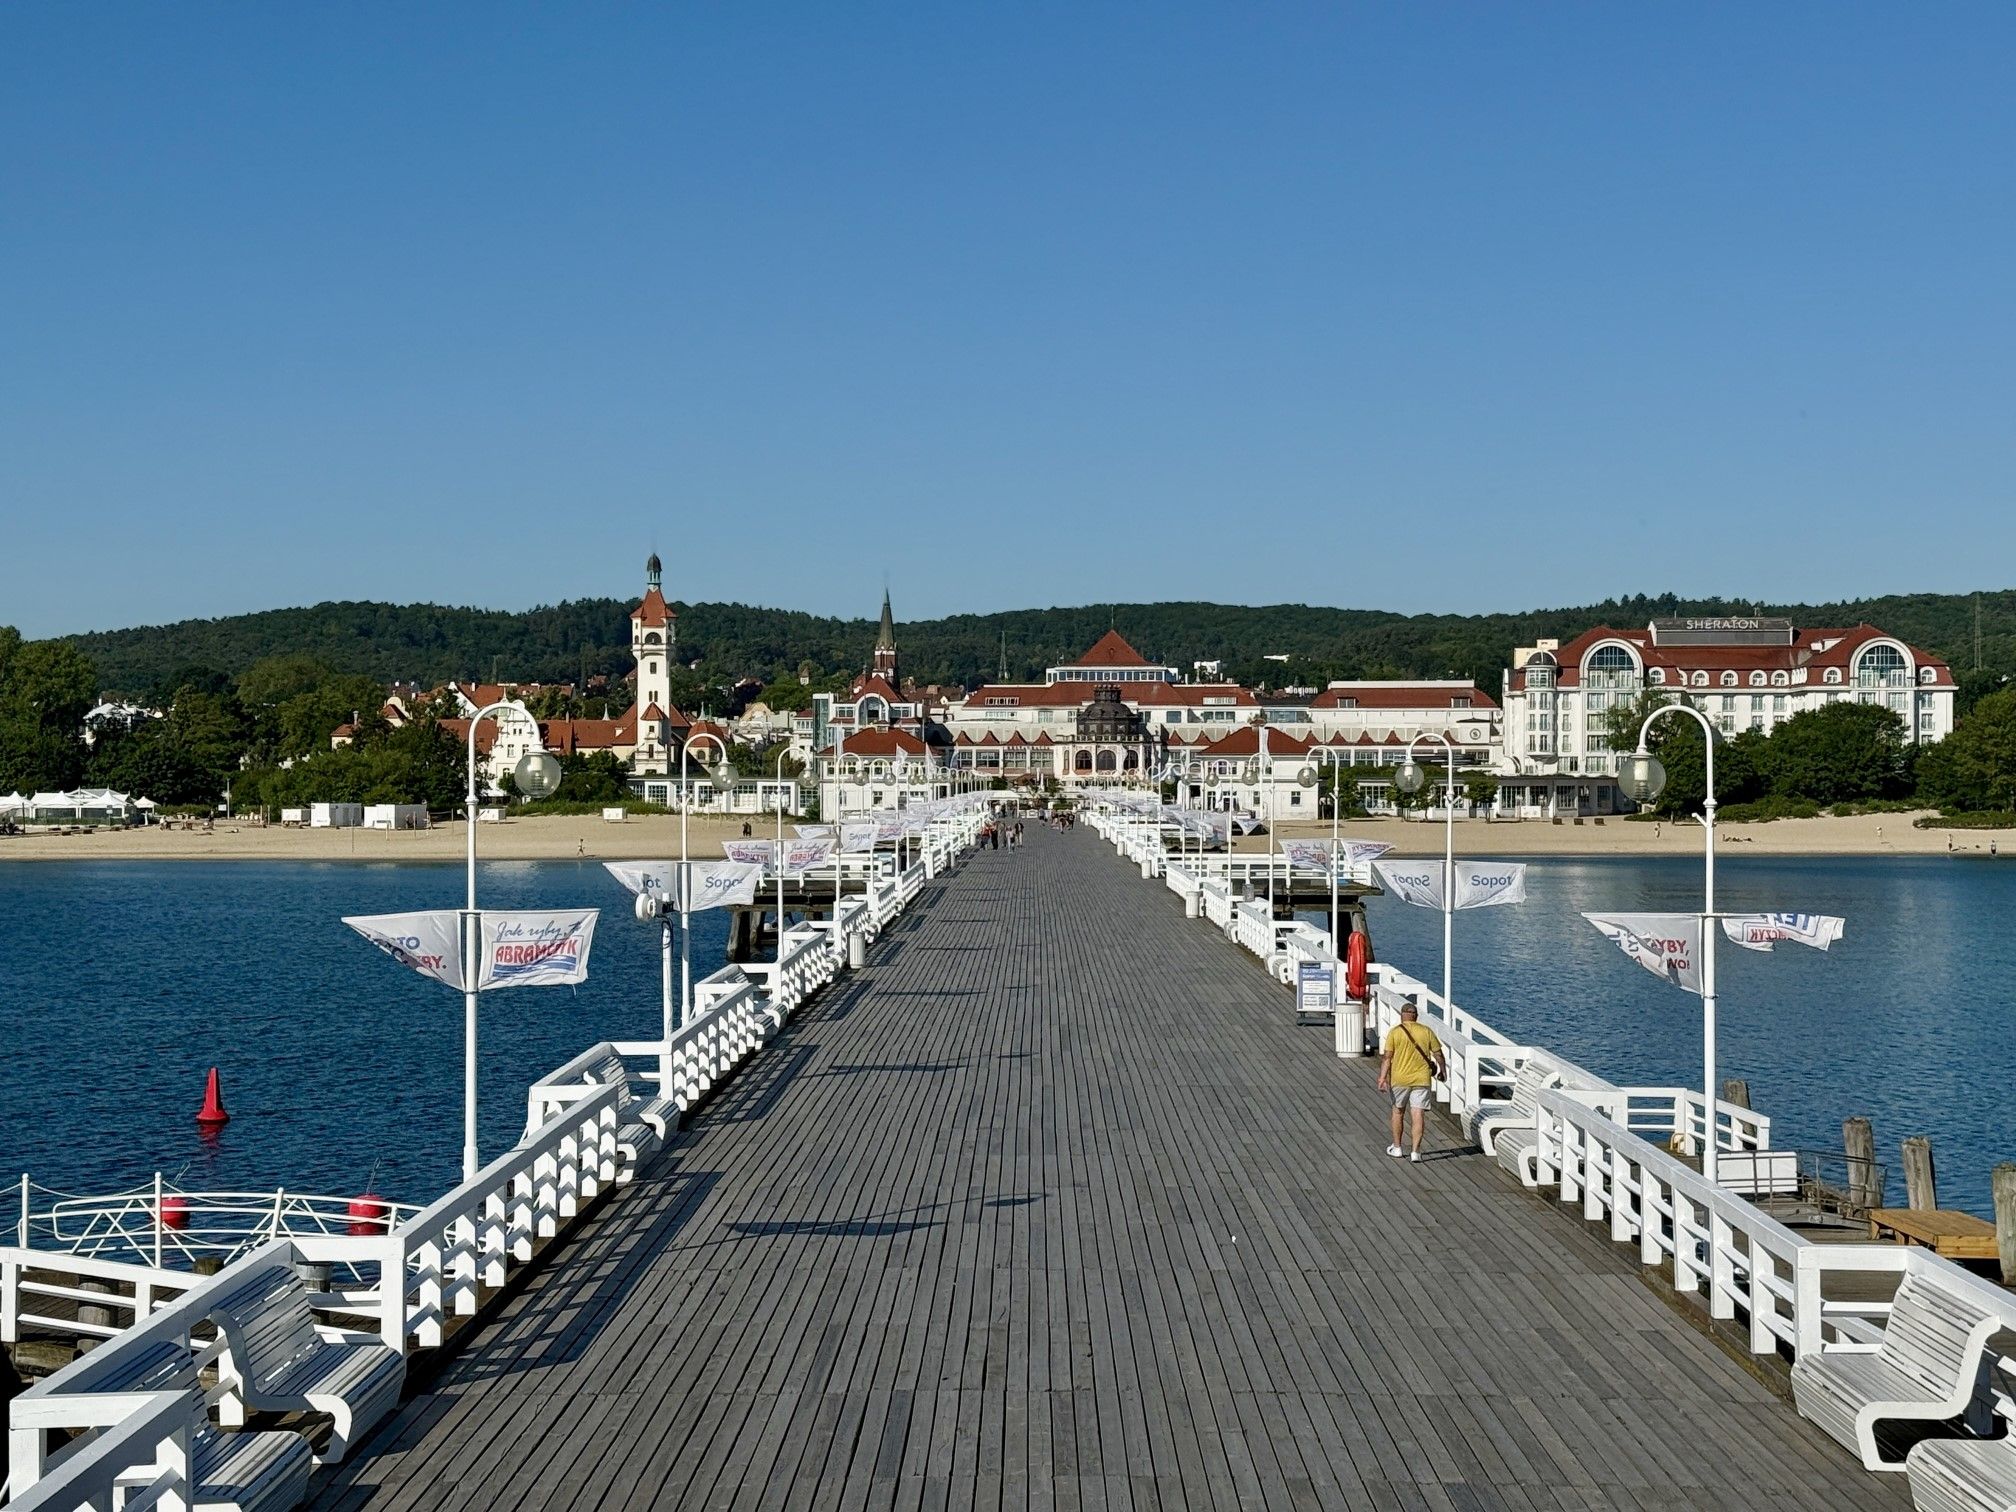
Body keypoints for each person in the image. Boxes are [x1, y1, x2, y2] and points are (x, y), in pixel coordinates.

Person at [1376, 1001, 1446, 1163]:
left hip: (1399, 1079)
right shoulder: (1426, 1031)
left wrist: (1382, 1078)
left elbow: (1387, 1057)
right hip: (1422, 1079)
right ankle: (1416, 1152)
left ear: (1402, 1016)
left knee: (1398, 1111)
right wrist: (1443, 1071)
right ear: (1416, 1017)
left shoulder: (1395, 1032)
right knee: (1418, 1113)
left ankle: (1397, 1147)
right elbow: (1438, 1055)